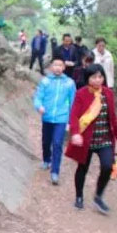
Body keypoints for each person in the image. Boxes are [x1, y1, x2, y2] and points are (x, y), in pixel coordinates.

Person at [65, 64, 117, 213]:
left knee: (107, 166)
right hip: (87, 139)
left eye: (100, 76)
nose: (97, 80)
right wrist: (75, 133)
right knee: (82, 168)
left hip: (105, 138)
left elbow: (113, 117)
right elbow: (74, 115)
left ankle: (98, 196)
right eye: (93, 77)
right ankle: (79, 196)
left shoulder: (108, 94)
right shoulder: (81, 94)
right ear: (88, 78)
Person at [33, 54, 76, 185]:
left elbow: (73, 102)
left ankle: (55, 172)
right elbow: (38, 97)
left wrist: (71, 121)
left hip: (61, 118)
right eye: (55, 65)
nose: (57, 67)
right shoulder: (45, 81)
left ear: (64, 67)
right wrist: (39, 106)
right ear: (51, 66)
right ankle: (47, 160)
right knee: (46, 141)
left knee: (57, 143)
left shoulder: (69, 83)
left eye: (60, 65)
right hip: (47, 117)